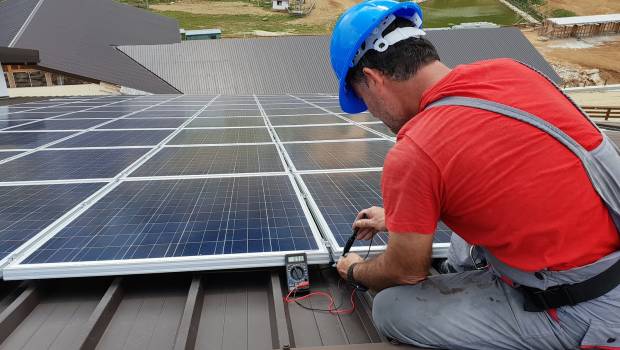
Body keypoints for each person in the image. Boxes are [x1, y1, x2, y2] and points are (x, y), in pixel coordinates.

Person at [330, 1, 620, 349]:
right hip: (604, 250)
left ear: (374, 81)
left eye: (364, 101)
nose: (372, 114)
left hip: (586, 308)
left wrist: (354, 270)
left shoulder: (415, 149)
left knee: (392, 308)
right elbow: (498, 180)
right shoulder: (511, 71)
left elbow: (406, 271)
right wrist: (396, 218)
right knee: (461, 244)